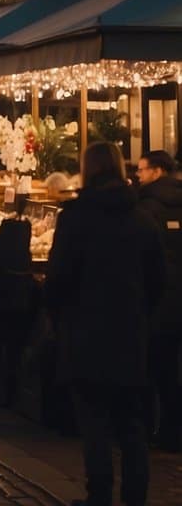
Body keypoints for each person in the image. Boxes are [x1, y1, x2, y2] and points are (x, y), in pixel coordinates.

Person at [45, 142, 165, 506]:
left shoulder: (75, 219)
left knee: (94, 424)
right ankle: (135, 497)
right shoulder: (143, 219)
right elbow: (158, 281)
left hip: (85, 334)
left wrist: (59, 318)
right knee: (132, 425)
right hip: (130, 334)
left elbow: (58, 279)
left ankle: (98, 496)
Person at [136, 150, 182, 452]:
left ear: (156, 171)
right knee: (173, 367)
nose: (137, 175)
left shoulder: (145, 207)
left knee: (155, 366)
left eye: (141, 170)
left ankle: (159, 429)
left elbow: (143, 257)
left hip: (158, 297)